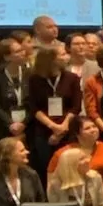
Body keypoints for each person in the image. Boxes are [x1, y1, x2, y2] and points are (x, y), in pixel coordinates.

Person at [24, 44, 81, 177]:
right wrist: (52, 126)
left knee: (69, 169)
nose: (66, 56)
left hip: (68, 129)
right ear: (51, 59)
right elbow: (34, 107)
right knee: (47, 169)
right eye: (62, 54)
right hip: (44, 131)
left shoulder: (72, 78)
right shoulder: (35, 79)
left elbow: (76, 106)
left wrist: (63, 127)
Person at [0, 36, 29, 144]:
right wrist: (10, 124)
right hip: (5, 128)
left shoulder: (30, 73)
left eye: (22, 50)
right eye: (18, 51)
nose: (23, 53)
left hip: (29, 127)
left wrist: (24, 123)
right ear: (6, 57)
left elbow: (35, 103)